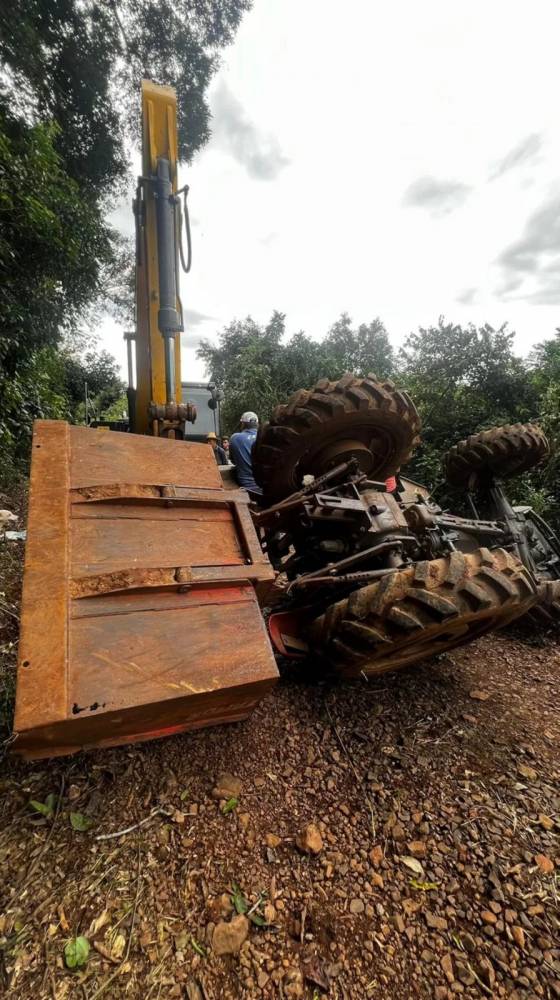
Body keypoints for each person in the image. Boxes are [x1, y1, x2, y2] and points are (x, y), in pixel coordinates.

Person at [229, 411, 262, 493]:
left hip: (248, 488)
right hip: (267, 488)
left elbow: (233, 460)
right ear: (257, 424)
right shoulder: (266, 436)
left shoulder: (235, 438)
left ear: (243, 424)